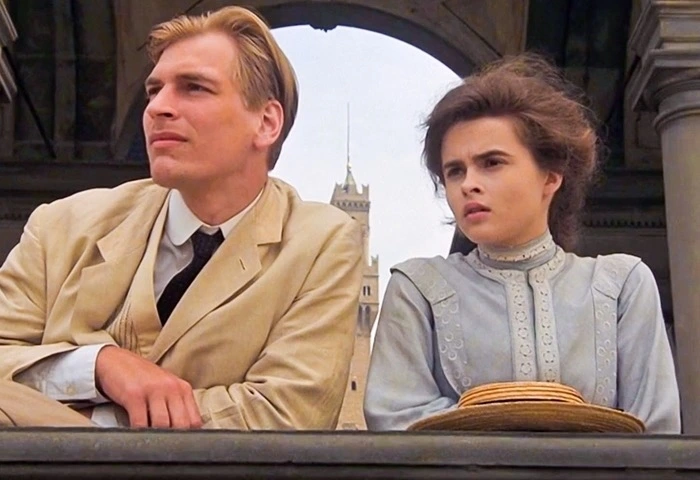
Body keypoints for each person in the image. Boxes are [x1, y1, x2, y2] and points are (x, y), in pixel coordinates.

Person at [0, 6, 363, 430]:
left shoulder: (320, 243)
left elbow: (285, 417)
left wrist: (75, 417)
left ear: (266, 122)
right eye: (154, 90)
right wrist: (97, 366)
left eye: (194, 88)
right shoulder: (60, 226)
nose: (158, 107)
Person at [363, 54, 680, 433]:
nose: (468, 185)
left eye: (492, 163)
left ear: (551, 176)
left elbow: (654, 432)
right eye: (455, 171)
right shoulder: (419, 289)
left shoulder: (621, 286)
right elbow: (397, 419)